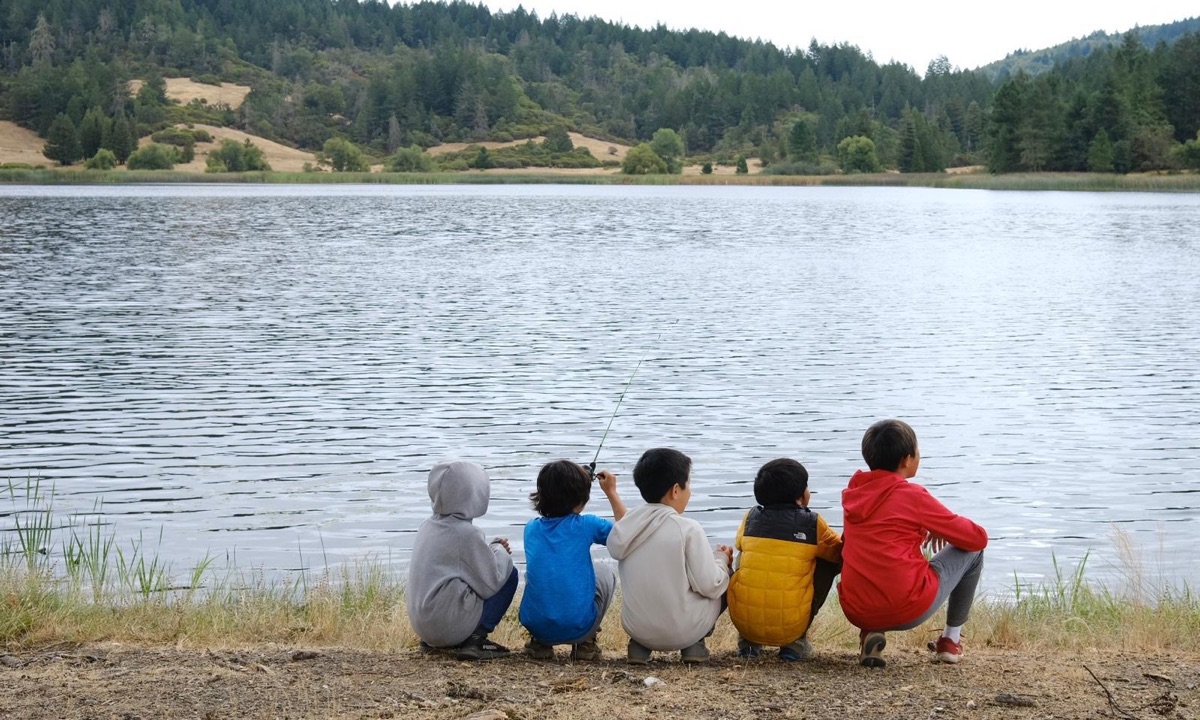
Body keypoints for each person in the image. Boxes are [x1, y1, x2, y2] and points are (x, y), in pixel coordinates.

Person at [839, 419, 988, 667]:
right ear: (907, 460)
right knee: (974, 552)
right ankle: (950, 641)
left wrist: (928, 525)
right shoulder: (912, 495)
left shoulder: (853, 495)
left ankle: (870, 633)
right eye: (918, 451)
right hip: (907, 607)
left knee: (871, 561)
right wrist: (946, 528)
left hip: (856, 609)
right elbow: (977, 537)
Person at [606, 448, 733, 664]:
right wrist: (721, 560)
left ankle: (640, 646)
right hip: (682, 632)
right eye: (688, 484)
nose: (690, 491)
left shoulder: (626, 528)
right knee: (725, 579)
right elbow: (710, 585)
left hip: (637, 629)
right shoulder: (688, 528)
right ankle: (695, 644)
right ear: (676, 490)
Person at [727, 458, 843, 661]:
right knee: (827, 561)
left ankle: (748, 643)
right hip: (790, 626)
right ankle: (794, 643)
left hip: (744, 622)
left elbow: (738, 543)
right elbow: (840, 554)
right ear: (800, 497)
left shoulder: (750, 518)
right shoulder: (812, 524)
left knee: (745, 553)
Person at [407, 459, 518, 661]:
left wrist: (491, 546)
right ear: (474, 494)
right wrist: (500, 550)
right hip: (446, 628)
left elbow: (461, 558)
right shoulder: (466, 534)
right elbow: (492, 582)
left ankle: (441, 642)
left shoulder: (428, 526)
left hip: (425, 628)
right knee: (510, 575)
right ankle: (476, 639)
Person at [519, 460, 627, 661]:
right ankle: (586, 642)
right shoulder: (587, 525)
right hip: (578, 626)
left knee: (543, 572)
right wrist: (611, 492)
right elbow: (628, 533)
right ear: (581, 500)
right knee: (604, 571)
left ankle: (540, 643)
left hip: (536, 624)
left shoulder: (530, 529)